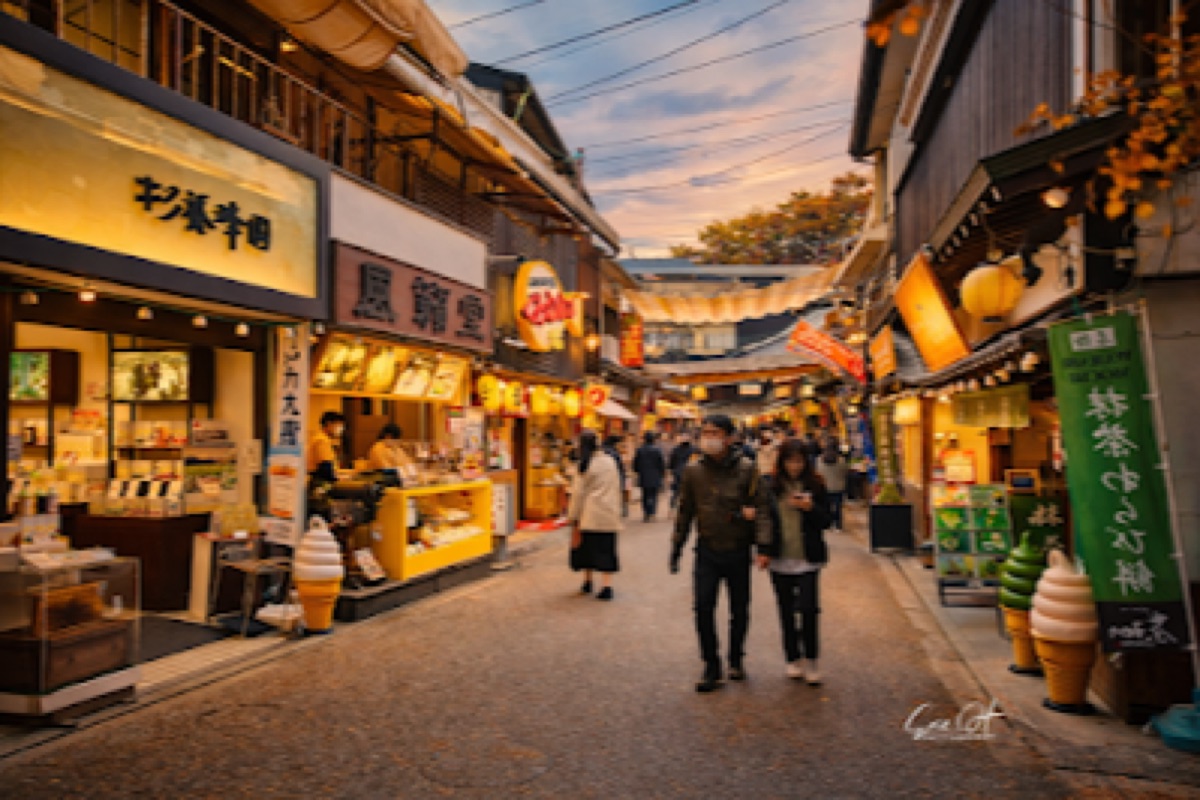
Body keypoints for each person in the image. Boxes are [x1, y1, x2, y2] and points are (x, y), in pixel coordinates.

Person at [672, 414, 771, 693]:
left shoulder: (748, 469)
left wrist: (763, 546)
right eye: (705, 433)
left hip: (738, 550)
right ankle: (711, 665)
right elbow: (685, 512)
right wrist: (677, 547)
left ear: (729, 437)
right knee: (703, 608)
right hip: (707, 550)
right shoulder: (693, 471)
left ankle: (736, 658)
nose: (709, 438)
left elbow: (762, 509)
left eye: (715, 433)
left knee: (739, 610)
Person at [760, 438, 831, 684]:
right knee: (787, 611)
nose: (794, 466)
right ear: (782, 461)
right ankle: (792, 658)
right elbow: (764, 521)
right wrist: (762, 549)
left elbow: (827, 521)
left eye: (799, 461)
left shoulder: (816, 485)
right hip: (780, 558)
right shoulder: (771, 487)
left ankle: (811, 659)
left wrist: (811, 508)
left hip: (808, 558)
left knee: (809, 609)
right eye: (790, 461)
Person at [567, 430, 623, 600]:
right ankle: (607, 586)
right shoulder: (610, 461)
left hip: (589, 515)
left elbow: (578, 494)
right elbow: (616, 486)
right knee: (606, 550)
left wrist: (573, 517)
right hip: (609, 514)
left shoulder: (583, 464)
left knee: (586, 549)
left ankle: (587, 581)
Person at [632, 431, 668, 522]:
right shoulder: (657, 450)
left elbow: (635, 463)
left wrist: (637, 471)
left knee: (645, 495)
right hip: (655, 475)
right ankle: (652, 513)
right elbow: (661, 463)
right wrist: (663, 473)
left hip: (644, 475)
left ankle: (646, 513)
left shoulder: (640, 450)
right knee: (654, 495)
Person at [815, 440, 850, 532]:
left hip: (825, 486)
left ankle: (829, 524)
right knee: (838, 507)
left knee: (827, 507)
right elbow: (846, 472)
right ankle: (838, 525)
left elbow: (817, 472)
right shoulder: (841, 460)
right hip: (839, 486)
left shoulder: (819, 459)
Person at [307, 411, 345, 482]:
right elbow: (325, 467)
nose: (341, 429)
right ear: (329, 424)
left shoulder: (319, 438)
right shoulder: (322, 440)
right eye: (339, 425)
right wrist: (337, 480)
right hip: (319, 481)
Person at [603, 434, 628, 519]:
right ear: (615, 443)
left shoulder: (602, 451)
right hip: (613, 480)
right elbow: (619, 469)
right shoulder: (614, 453)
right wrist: (622, 482)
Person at [667, 433, 695, 508]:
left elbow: (671, 461)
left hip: (678, 472)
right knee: (689, 491)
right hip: (690, 472)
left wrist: (671, 471)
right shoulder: (693, 449)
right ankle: (686, 506)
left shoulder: (676, 449)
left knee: (676, 490)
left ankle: (673, 505)